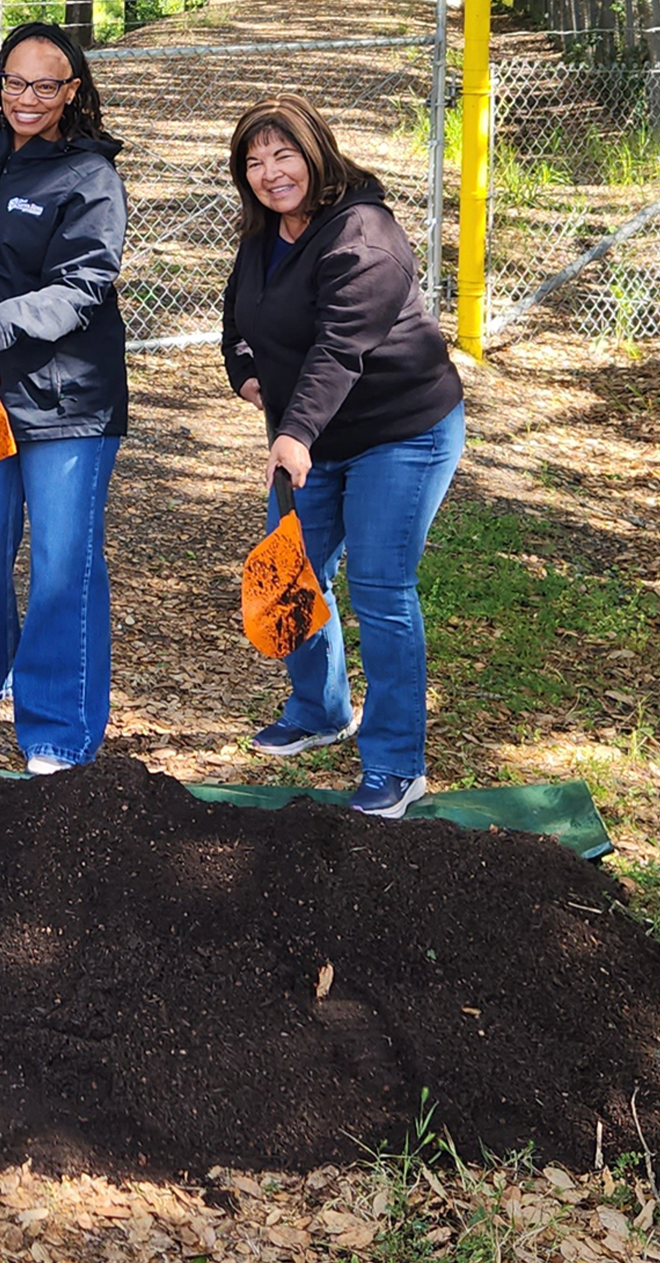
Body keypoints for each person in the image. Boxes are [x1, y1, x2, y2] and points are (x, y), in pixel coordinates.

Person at [220, 94, 464, 818]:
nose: (270, 173)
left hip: (401, 432)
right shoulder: (265, 234)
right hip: (312, 435)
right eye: (254, 162)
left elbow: (339, 349)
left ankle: (398, 764)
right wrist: (244, 369)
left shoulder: (365, 236)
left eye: (283, 154)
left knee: (383, 590)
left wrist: (292, 434)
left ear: (316, 151)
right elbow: (239, 314)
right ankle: (321, 710)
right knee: (291, 569)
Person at [0, 23, 129, 774]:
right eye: (15, 82)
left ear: (72, 92)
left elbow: (83, 287)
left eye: (46, 85)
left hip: (71, 397)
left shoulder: (89, 177)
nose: (27, 98)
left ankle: (58, 732)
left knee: (64, 565)